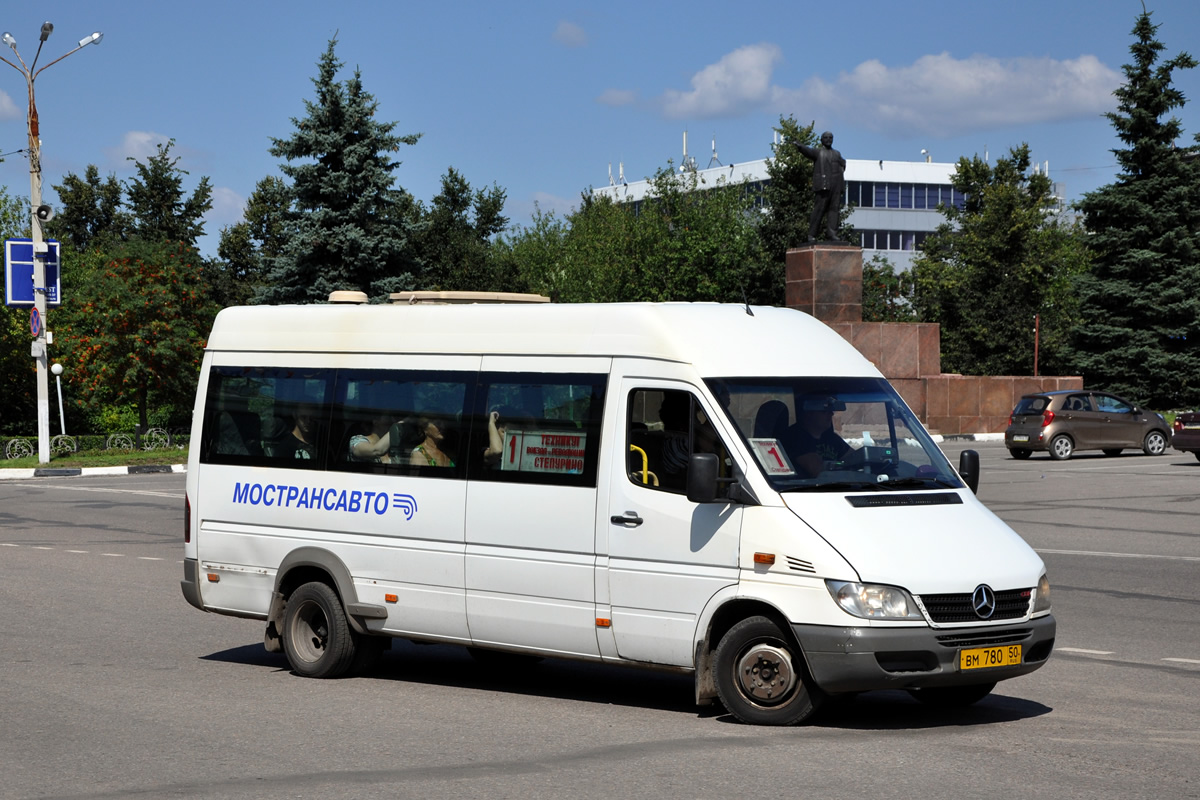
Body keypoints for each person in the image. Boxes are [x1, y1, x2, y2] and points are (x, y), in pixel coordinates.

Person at [781, 396, 856, 477]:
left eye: (830, 410)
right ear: (809, 413)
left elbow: (857, 458)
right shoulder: (794, 437)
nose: (831, 414)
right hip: (809, 488)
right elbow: (818, 471)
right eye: (824, 410)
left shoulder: (832, 438)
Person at [797, 130, 846, 242]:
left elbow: (842, 163)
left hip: (836, 185)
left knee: (834, 210)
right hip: (824, 185)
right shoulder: (818, 152)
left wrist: (843, 163)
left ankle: (832, 233)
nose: (828, 139)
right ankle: (812, 234)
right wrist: (800, 146)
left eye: (830, 137)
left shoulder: (837, 153)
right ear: (822, 140)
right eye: (826, 137)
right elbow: (808, 151)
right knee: (819, 209)